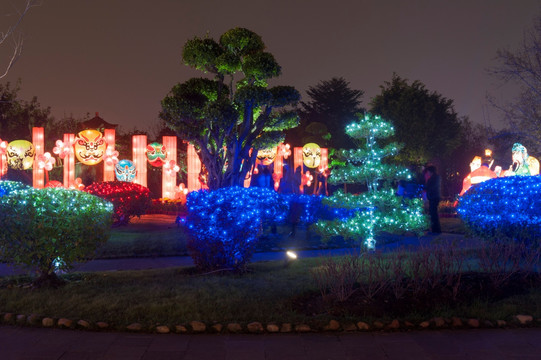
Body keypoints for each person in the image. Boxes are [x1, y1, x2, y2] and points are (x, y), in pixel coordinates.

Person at [424, 165, 441, 234]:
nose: (427, 173)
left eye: (428, 171)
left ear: (431, 171)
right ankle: (435, 229)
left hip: (434, 197)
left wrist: (426, 188)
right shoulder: (435, 177)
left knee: (433, 213)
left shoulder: (435, 178)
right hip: (434, 196)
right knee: (433, 213)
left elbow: (432, 187)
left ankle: (436, 230)